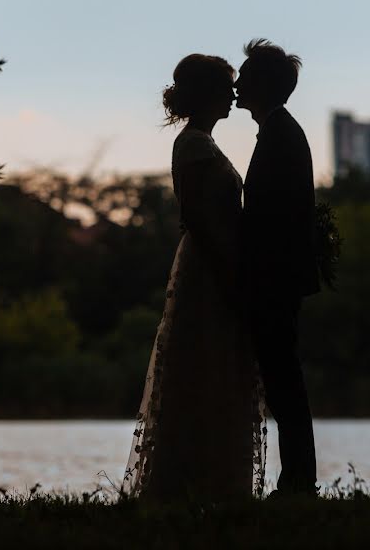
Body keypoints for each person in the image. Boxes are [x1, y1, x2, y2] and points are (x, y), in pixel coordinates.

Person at [123, 54, 267, 501]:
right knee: (205, 367)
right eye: (227, 87)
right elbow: (202, 220)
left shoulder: (198, 143)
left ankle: (210, 481)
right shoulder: (196, 146)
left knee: (216, 368)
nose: (234, 93)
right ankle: (197, 482)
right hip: (208, 268)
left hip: (212, 262)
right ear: (207, 94)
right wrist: (232, 275)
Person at [235, 39, 320, 496]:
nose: (237, 82)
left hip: (274, 280)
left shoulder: (281, 136)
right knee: (283, 379)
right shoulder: (280, 132)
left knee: (284, 381)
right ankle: (297, 480)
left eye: (245, 75)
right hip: (278, 279)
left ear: (263, 84)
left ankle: (298, 482)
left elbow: (275, 218)